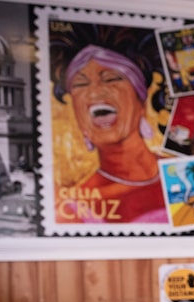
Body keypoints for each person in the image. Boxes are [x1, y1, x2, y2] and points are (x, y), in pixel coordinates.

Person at [53, 43, 168, 224]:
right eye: (80, 84)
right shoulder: (73, 210)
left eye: (111, 79)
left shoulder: (190, 172)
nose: (94, 93)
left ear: (141, 104)